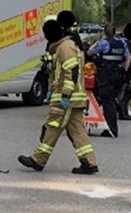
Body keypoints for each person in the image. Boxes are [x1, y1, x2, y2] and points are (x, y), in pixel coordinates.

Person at [17, 19, 98, 174]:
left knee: (52, 128)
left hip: (66, 98)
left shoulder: (64, 47)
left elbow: (71, 71)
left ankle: (38, 160)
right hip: (75, 98)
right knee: (77, 130)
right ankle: (89, 162)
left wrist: (65, 95)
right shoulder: (67, 45)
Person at [86, 25, 131, 138]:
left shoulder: (104, 43)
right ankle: (107, 124)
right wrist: (124, 70)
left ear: (105, 33)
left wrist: (96, 43)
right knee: (111, 99)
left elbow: (89, 53)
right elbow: (128, 57)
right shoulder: (122, 43)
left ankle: (111, 129)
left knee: (107, 101)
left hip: (107, 75)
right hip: (118, 75)